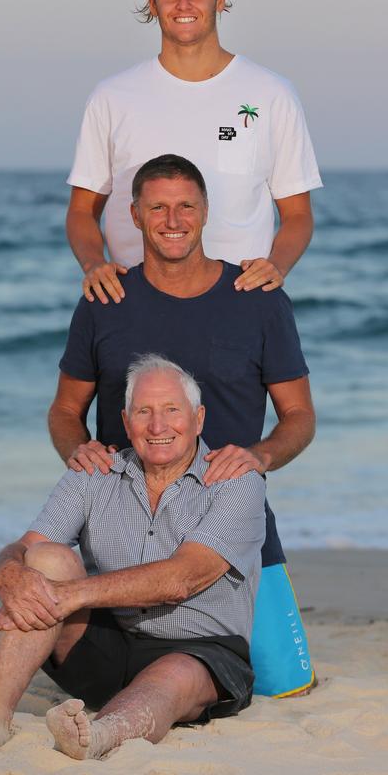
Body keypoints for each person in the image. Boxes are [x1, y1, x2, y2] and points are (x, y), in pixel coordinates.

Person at [50, 154, 317, 697]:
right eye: (158, 208)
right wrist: (80, 452)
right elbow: (63, 411)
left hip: (228, 525)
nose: (173, 220)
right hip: (125, 528)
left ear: (205, 212)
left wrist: (260, 457)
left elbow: (300, 417)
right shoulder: (107, 301)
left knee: (284, 685)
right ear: (134, 215)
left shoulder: (258, 300)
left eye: (185, 207)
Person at [0, 358, 265, 760]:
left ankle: (97, 736)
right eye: (143, 411)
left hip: (200, 653)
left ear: (198, 419)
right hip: (104, 647)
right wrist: (9, 574)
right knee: (44, 558)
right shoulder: (94, 473)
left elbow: (182, 578)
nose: (157, 426)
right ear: (125, 419)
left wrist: (70, 596)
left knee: (174, 675)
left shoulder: (236, 482)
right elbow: (24, 548)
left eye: (172, 410)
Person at [66, 0, 322, 306]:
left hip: (240, 300)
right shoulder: (113, 97)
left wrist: (275, 267)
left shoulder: (270, 93)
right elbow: (80, 211)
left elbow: (297, 215)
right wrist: (94, 265)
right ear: (153, 4)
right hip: (134, 301)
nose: (183, 5)